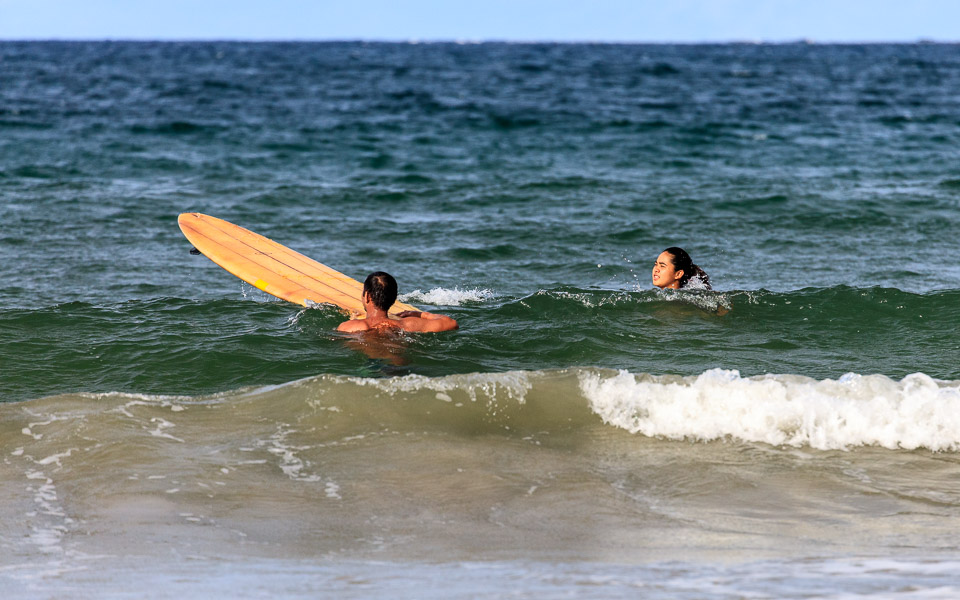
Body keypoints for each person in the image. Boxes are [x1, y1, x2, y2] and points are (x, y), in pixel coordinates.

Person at [337, 272, 458, 333]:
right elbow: (451, 323)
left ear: (367, 296)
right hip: (402, 368)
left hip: (373, 368)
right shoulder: (408, 325)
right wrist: (421, 314)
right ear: (394, 298)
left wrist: (353, 319)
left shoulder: (351, 326)